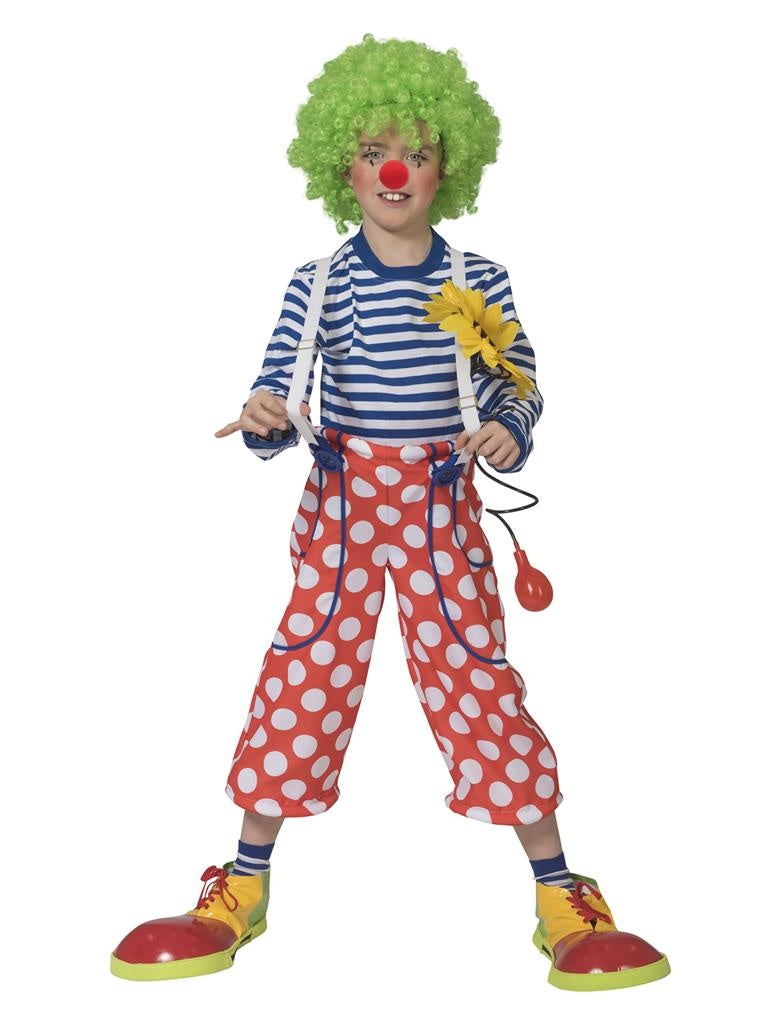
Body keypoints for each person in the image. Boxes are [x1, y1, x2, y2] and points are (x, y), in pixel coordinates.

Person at [110, 34, 670, 992]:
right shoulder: (317, 283)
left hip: (439, 508)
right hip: (340, 508)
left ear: (448, 165)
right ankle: (241, 883)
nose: (394, 171)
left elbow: (516, 382)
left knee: (477, 682)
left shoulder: (477, 279)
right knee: (301, 677)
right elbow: (275, 393)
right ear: (344, 167)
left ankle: (559, 892)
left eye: (414, 152)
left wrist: (507, 428)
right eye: (372, 152)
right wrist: (265, 419)